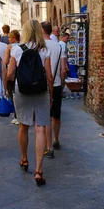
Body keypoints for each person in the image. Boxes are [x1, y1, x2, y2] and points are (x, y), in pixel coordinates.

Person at [6, 20, 53, 187]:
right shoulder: (44, 49)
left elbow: (10, 74)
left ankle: (24, 159)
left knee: (23, 125)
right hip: (41, 90)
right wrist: (51, 96)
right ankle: (39, 170)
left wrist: (8, 90)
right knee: (40, 128)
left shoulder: (17, 49)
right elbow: (49, 76)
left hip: (22, 90)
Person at [41, 22, 67, 158]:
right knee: (56, 115)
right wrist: (62, 84)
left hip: (43, 86)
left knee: (45, 117)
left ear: (41, 30)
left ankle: (48, 145)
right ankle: (56, 139)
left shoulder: (39, 46)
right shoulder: (58, 46)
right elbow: (63, 70)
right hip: (56, 84)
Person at [3, 29, 21, 125]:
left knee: (12, 94)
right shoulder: (22, 45)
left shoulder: (9, 47)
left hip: (12, 73)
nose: (9, 39)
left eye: (10, 37)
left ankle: (17, 116)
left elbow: (6, 61)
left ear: (14, 38)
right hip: (21, 74)